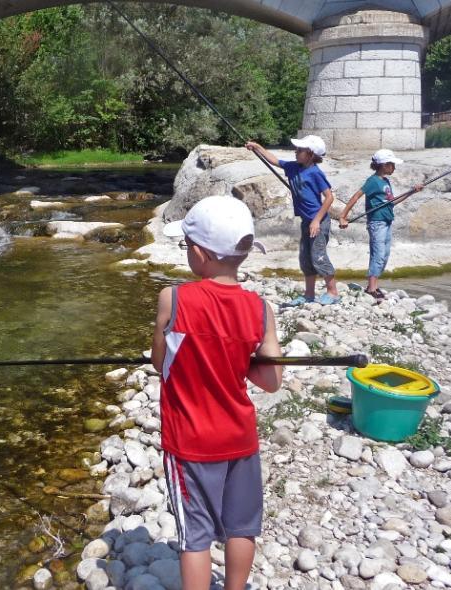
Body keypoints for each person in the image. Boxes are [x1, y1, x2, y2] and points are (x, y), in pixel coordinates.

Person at [153, 195, 283, 590]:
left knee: (196, 537)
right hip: (240, 438)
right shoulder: (259, 308)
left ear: (198, 253)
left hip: (190, 441)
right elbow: (271, 380)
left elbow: (161, 364)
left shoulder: (173, 299)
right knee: (242, 527)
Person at [245, 136, 339, 305]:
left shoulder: (315, 173)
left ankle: (332, 292)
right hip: (306, 221)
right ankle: (309, 294)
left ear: (310, 154)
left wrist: (316, 221)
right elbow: (274, 160)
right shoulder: (294, 167)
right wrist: (257, 147)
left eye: (300, 150)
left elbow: (329, 197)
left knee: (318, 256)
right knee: (305, 257)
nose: (296, 152)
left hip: (318, 222)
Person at [338, 149, 423, 301]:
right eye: (392, 164)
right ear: (384, 165)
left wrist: (411, 192)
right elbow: (356, 196)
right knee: (378, 255)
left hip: (387, 221)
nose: (394, 168)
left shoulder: (385, 181)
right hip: (377, 223)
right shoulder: (373, 181)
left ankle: (373, 286)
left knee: (384, 255)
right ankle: (371, 289)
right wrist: (343, 216)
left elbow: (391, 203)